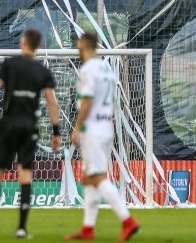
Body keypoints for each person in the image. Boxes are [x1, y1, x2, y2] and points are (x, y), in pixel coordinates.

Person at [0, 28, 61, 240]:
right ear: (38, 46)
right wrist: (56, 131)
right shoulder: (42, 70)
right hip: (30, 126)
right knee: (25, 174)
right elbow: (51, 101)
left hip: (8, 123)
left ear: (23, 43)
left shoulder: (9, 64)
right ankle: (21, 229)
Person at [65, 33, 140, 242]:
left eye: (78, 45)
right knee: (89, 177)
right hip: (106, 125)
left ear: (83, 45)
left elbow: (87, 100)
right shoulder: (106, 68)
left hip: (94, 128)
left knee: (97, 177)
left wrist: (77, 128)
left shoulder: (88, 68)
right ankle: (88, 229)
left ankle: (127, 221)